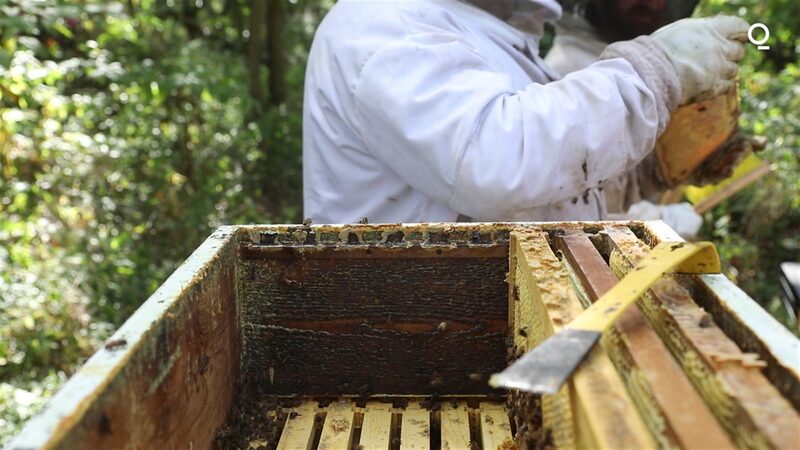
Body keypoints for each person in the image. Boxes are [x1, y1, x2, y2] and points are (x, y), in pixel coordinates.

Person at [302, 0, 748, 225]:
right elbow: (496, 162)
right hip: (401, 358)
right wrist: (657, 71)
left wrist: (647, 175)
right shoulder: (384, 22)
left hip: (479, 336)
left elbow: (547, 193)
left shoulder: (498, 38)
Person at [545, 0, 704, 237]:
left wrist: (655, 173)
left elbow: (609, 180)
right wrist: (657, 222)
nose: (655, 3)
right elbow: (561, 218)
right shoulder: (566, 71)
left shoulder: (642, 64)